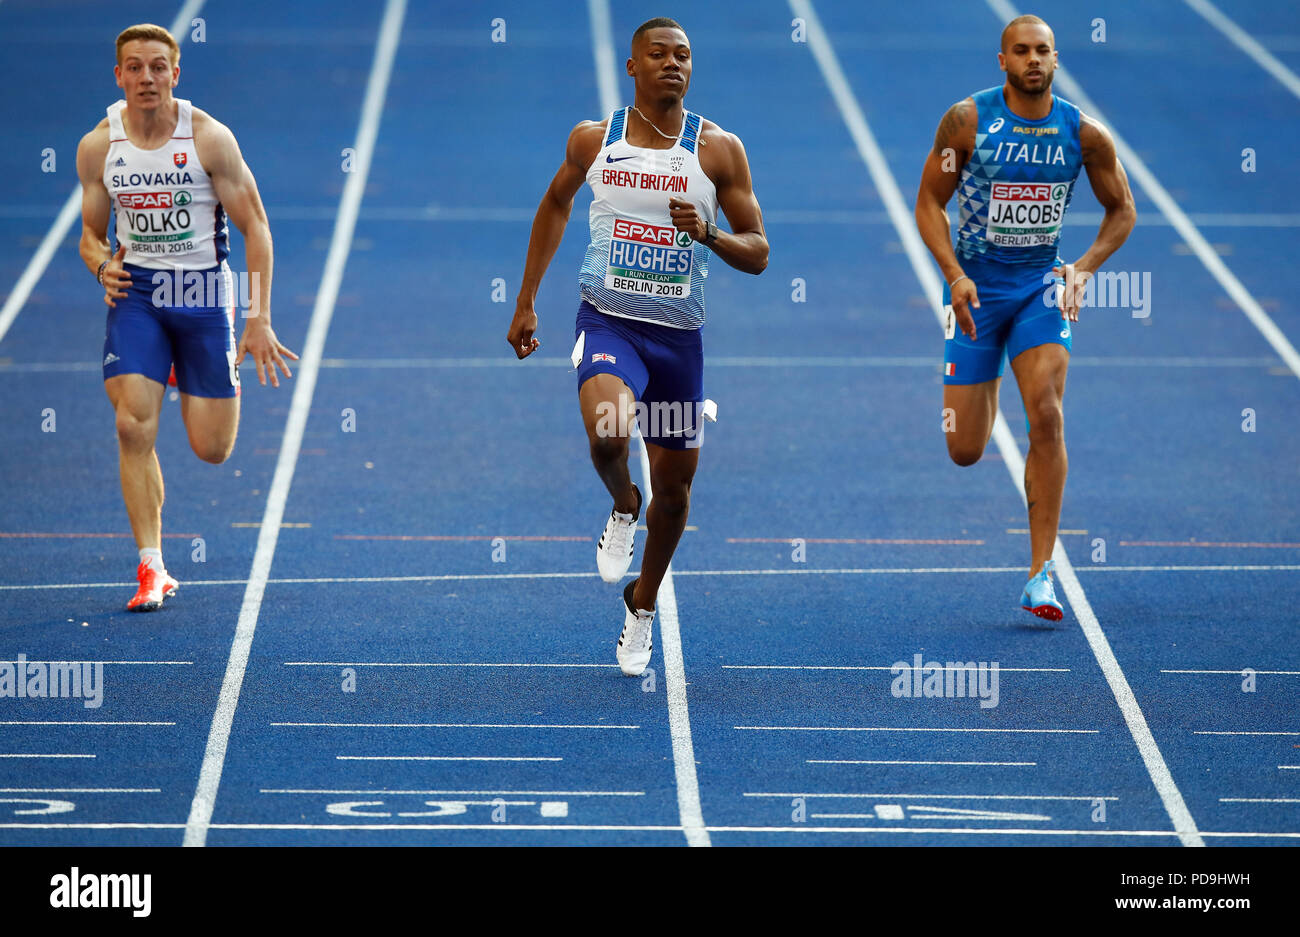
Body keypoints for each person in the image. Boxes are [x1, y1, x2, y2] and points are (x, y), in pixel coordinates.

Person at [507, 17, 768, 674]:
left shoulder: (718, 151)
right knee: (606, 432)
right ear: (633, 67)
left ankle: (642, 600)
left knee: (676, 495)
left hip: (678, 340)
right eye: (659, 54)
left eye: (683, 55)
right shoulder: (594, 141)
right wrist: (526, 298)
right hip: (610, 322)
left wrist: (708, 234)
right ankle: (624, 501)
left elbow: (760, 251)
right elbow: (555, 204)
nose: (673, 63)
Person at [914, 14, 1136, 620]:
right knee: (964, 449)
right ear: (1003, 61)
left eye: (1043, 51)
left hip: (1041, 285)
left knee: (1047, 413)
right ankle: (982, 382)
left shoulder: (1084, 135)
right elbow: (930, 201)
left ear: (1056, 60)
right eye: (1021, 51)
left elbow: (1122, 210)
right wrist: (954, 273)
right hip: (976, 292)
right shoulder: (968, 122)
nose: (1033, 60)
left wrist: (1084, 266)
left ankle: (1041, 574)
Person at [75, 23, 297, 612]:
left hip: (203, 294)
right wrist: (102, 269)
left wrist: (258, 318)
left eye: (157, 66)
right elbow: (90, 239)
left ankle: (193, 367)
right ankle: (152, 567)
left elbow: (256, 228)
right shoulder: (99, 146)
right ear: (118, 75)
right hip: (140, 296)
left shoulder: (209, 139)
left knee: (212, 449)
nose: (146, 77)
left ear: (176, 73)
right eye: (134, 67)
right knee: (132, 426)